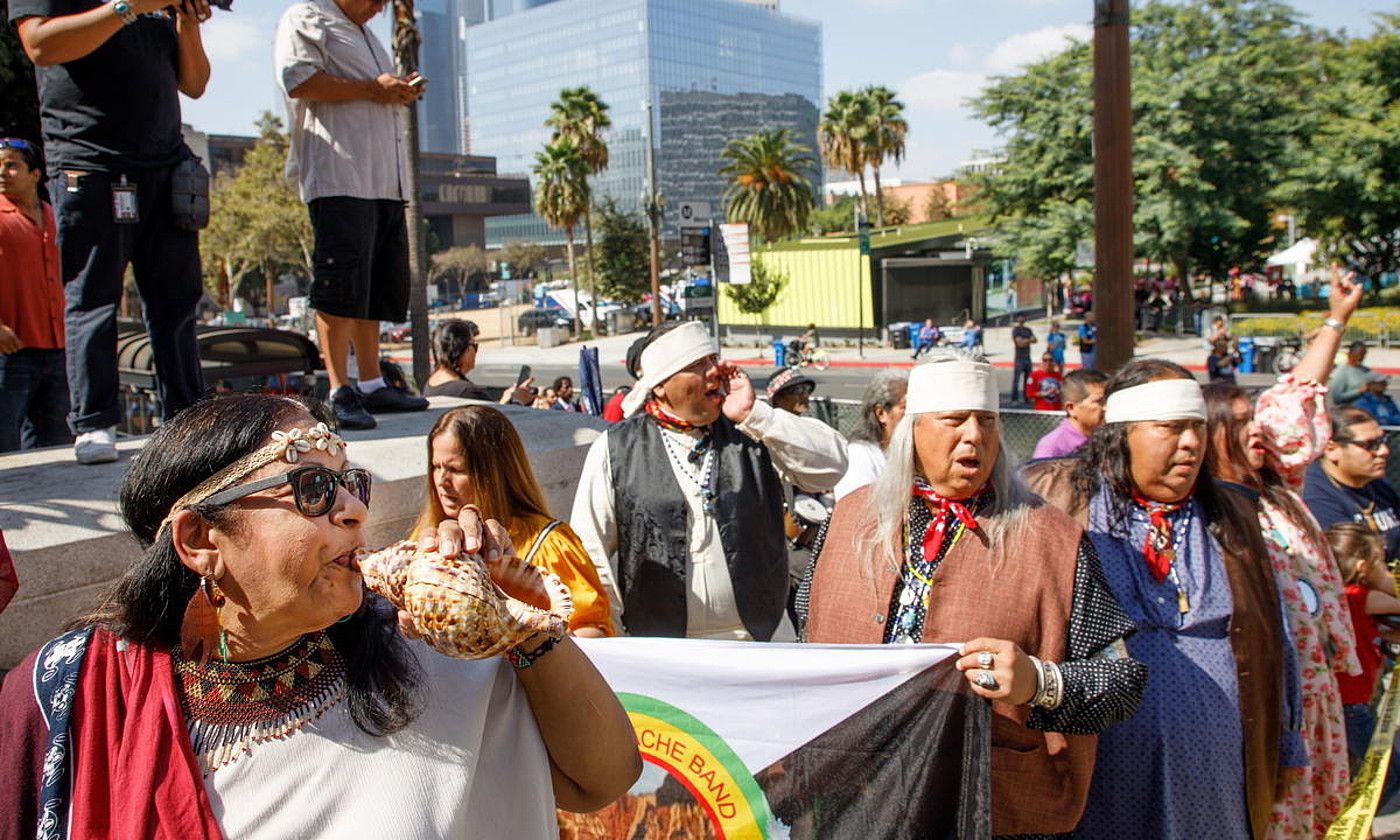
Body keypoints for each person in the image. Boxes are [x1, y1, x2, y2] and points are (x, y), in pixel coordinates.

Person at [0, 394, 640, 837]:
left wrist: (513, 622)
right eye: (312, 489)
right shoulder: (66, 693)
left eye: (349, 482)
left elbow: (602, 779)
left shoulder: (421, 650)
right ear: (200, 541)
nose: (355, 511)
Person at [800, 350, 1147, 839]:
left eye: (986, 421)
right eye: (953, 420)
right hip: (856, 799)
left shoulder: (1051, 540)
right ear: (913, 431)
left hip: (988, 804)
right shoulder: (848, 522)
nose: (973, 436)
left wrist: (1037, 681)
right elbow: (803, 642)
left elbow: (1121, 682)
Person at [1024, 359, 1298, 840]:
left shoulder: (1235, 515)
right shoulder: (1058, 504)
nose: (1191, 443)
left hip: (1213, 775)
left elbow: (1275, 635)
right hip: (1096, 771)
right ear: (1121, 433)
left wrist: (1288, 744)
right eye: (1171, 429)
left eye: (1196, 428)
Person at [1198, 269, 1366, 837]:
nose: (1255, 432)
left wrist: (1336, 319)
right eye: (1239, 424)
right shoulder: (1207, 514)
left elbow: (1293, 396)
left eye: (1254, 421)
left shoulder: (1276, 488)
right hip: (1265, 703)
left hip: (1318, 692)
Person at [11, 0, 211, 464]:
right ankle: (95, 422)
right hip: (89, 161)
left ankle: (189, 419)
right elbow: (39, 44)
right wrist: (128, 6)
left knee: (177, 301)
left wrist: (185, 19)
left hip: (166, 163)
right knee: (93, 295)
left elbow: (196, 83)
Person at [570, 321, 847, 640]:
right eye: (698, 365)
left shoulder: (753, 432)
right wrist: (614, 642)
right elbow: (589, 554)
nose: (715, 371)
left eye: (713, 359)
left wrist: (755, 414)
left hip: (761, 643)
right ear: (661, 385)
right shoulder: (617, 448)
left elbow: (832, 466)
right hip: (663, 654)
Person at [275, 0, 430, 431]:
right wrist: (373, 88)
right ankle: (339, 388)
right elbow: (298, 78)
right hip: (339, 174)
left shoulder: (368, 36)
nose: (379, 7)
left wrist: (396, 89)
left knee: (372, 288)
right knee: (339, 287)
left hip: (383, 180)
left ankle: (371, 381)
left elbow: (374, 87)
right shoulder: (307, 15)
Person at [415, 405, 613, 637]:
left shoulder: (549, 543)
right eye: (436, 467)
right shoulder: (429, 537)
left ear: (495, 474)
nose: (441, 480)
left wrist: (531, 642)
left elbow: (595, 630)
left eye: (456, 469)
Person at [0, 138, 69, 453]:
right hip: (11, 349)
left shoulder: (56, 217)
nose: (3, 172)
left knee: (54, 444)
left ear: (36, 174)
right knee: (5, 444)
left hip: (58, 350)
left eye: (12, 164)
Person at [1326, 522, 1400, 804]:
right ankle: (1350, 823)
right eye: (1380, 561)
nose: (1387, 568)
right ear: (1362, 567)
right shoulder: (1360, 597)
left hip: (1346, 703)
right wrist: (1387, 582)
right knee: (1386, 772)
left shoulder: (1339, 597)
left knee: (1352, 771)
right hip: (1352, 708)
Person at [1304, 405, 1400, 562]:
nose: (1383, 451)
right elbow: (1350, 567)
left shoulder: (1375, 483)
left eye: (1383, 440)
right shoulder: (1315, 498)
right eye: (1370, 445)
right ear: (1332, 449)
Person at [833, 368, 907, 501]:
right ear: (881, 413)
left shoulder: (907, 450)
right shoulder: (860, 455)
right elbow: (855, 512)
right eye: (905, 408)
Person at [421, 319, 533, 405]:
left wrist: (504, 401)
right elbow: (499, 427)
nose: (476, 352)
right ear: (464, 349)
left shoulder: (432, 383)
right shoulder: (466, 392)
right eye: (474, 345)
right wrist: (518, 401)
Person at [1030, 368, 1108, 460]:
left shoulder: (1108, 440)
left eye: (1108, 400)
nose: (1106, 407)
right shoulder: (1051, 448)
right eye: (1099, 401)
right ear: (1071, 408)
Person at [1328, 341, 1371, 406]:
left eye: (1363, 355)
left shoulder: (1366, 370)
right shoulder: (1342, 371)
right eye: (1357, 355)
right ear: (1350, 354)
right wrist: (1358, 391)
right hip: (1348, 410)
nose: (1360, 358)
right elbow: (1336, 398)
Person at [1010, 313, 1036, 404]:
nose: (1022, 319)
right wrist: (1028, 340)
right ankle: (1014, 398)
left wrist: (1025, 340)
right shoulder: (1016, 330)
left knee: (1028, 379)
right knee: (1016, 380)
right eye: (1020, 317)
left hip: (1027, 357)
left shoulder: (1028, 330)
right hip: (1019, 358)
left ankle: (1027, 397)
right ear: (1017, 319)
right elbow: (1019, 343)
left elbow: (1035, 340)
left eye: (1023, 317)